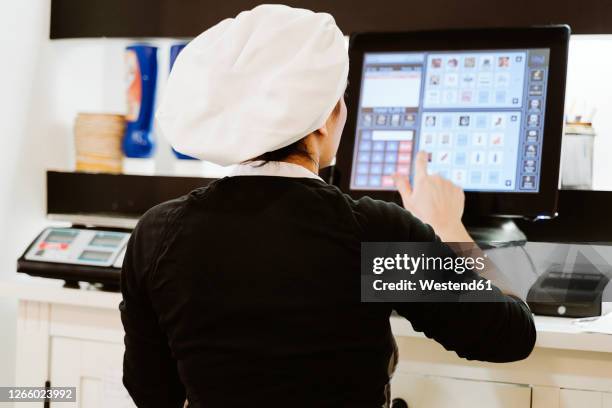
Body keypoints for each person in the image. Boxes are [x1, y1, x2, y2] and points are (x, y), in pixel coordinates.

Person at [120, 5, 535, 408]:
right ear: (323, 118)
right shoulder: (373, 233)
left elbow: (152, 392)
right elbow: (510, 335)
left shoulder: (155, 234)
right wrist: (448, 226)